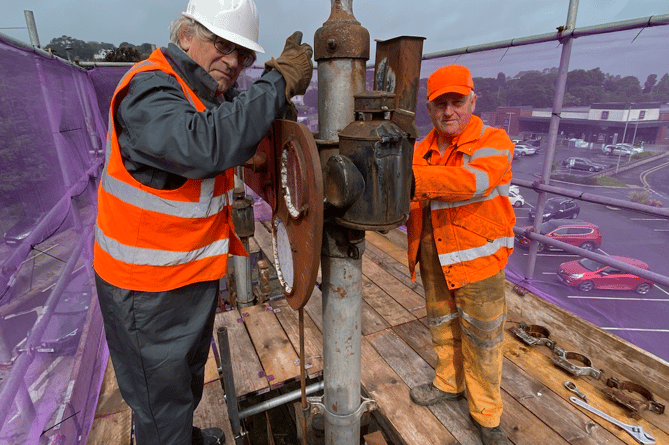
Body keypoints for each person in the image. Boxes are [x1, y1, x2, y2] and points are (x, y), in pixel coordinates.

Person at [93, 0, 313, 444]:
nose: (233, 62)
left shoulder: (201, 93)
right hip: (146, 289)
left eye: (244, 55)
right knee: (160, 405)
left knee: (184, 384)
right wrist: (276, 81)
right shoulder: (149, 91)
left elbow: (231, 125)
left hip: (184, 276)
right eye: (222, 45)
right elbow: (204, 145)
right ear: (185, 35)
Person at [406, 64, 515, 445]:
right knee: (442, 325)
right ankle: (448, 383)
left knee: (483, 339)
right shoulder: (420, 149)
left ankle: (487, 417)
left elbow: (474, 181)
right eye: (440, 104)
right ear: (429, 107)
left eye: (457, 102)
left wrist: (412, 179)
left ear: (473, 100)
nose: (449, 111)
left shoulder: (494, 140)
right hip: (434, 255)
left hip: (478, 262)